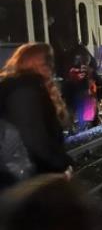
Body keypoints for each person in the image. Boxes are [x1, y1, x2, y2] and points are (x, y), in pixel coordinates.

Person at [0, 42, 71, 185]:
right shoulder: (25, 90)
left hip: (24, 173)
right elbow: (34, 137)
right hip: (27, 177)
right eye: (47, 60)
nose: (51, 65)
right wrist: (60, 166)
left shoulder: (26, 86)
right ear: (34, 62)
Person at [62, 44, 100, 132]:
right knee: (87, 109)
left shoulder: (70, 65)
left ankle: (72, 128)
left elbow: (66, 81)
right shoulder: (88, 68)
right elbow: (98, 79)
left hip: (71, 93)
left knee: (72, 110)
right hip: (84, 93)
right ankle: (86, 127)